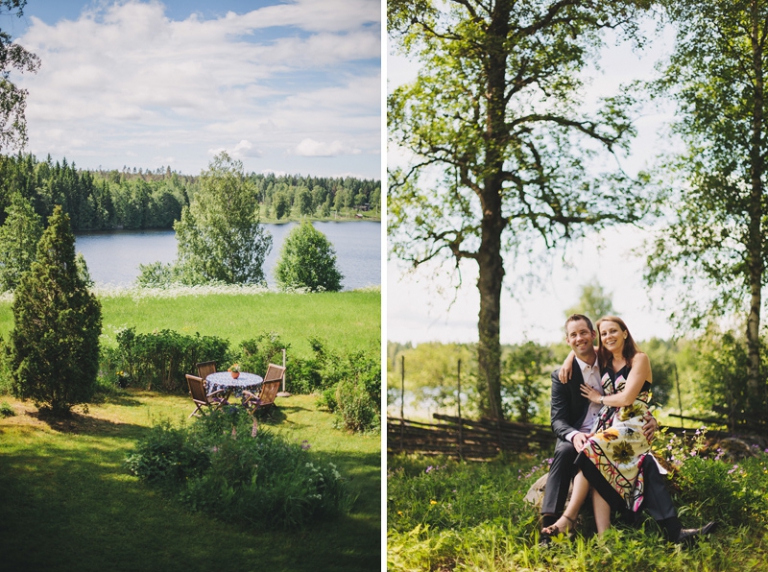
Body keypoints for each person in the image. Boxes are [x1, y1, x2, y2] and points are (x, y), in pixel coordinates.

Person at [540, 314, 715, 543]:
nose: (608, 336)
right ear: (599, 339)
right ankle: (606, 536)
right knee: (597, 460)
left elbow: (629, 397)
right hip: (609, 425)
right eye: (605, 333)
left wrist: (599, 398)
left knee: (592, 450)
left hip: (632, 425)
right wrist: (568, 357)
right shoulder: (604, 359)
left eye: (613, 331)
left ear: (625, 332)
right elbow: (580, 346)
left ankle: (568, 518)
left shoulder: (639, 358)